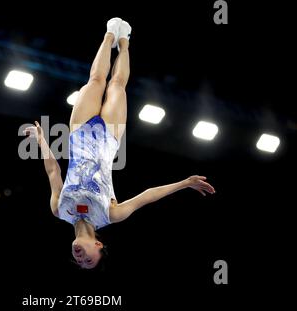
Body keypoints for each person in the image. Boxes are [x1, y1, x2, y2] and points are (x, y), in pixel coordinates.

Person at [24, 18, 215, 269]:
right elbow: (147, 196)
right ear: (99, 246)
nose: (81, 257)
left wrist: (41, 140)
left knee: (95, 80)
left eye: (78, 260)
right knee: (116, 85)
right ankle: (125, 43)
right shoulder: (111, 214)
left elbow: (53, 171)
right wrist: (184, 184)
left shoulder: (59, 210)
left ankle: (109, 36)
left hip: (79, 132)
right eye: (89, 259)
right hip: (110, 137)